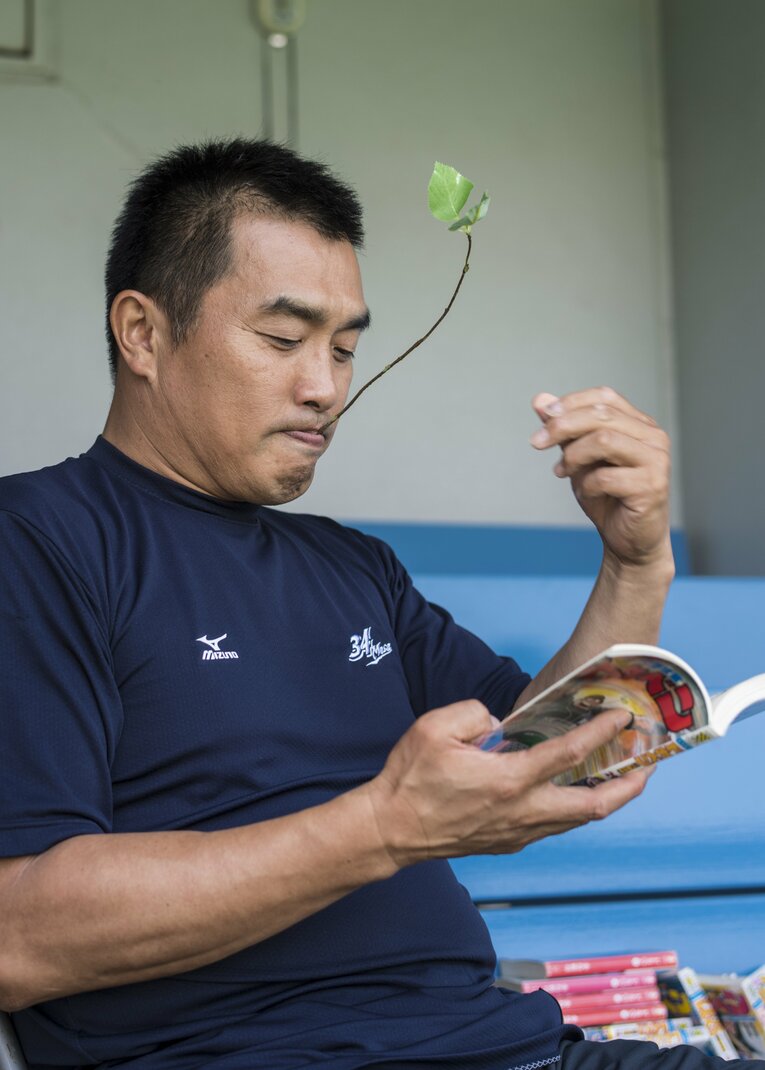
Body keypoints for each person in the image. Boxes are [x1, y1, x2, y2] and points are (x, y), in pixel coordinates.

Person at [0, 138, 746, 1070]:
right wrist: (383, 827)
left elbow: (551, 757)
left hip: (512, 1045)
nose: (325, 387)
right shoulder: (38, 541)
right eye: (281, 340)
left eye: (345, 347)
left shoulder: (352, 567)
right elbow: (17, 936)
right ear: (143, 333)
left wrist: (634, 564)